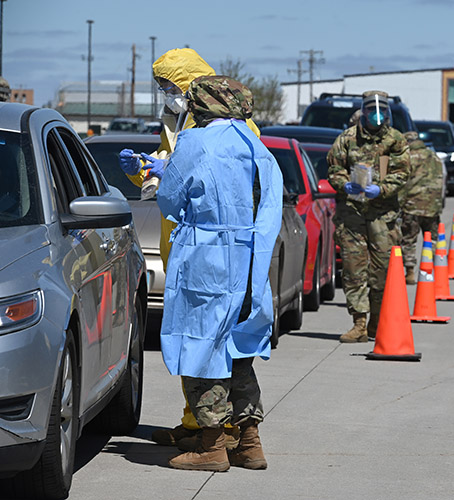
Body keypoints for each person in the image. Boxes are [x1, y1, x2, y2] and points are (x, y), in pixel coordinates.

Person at [117, 48, 261, 449]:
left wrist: (171, 172)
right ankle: (211, 427)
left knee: (203, 341)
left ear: (191, 83)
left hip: (206, 248)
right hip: (203, 244)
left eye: (171, 86)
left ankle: (216, 436)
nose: (168, 94)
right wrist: (144, 174)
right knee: (217, 342)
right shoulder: (182, 122)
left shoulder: (224, 131)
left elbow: (187, 189)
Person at [156, 75, 283, 471]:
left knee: (203, 349)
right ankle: (249, 443)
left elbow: (170, 202)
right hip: (251, 265)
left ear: (200, 106)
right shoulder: (258, 148)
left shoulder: (194, 143)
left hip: (207, 263)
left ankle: (211, 447)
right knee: (239, 350)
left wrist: (157, 172)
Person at [327, 90, 410, 342]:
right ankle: (359, 323)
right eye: (372, 110)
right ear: (362, 111)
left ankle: (376, 321)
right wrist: (344, 185)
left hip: (382, 217)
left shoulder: (395, 140)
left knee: (382, 271)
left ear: (387, 113)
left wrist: (381, 189)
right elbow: (334, 169)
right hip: (352, 215)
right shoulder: (347, 139)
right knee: (353, 271)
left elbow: (402, 172)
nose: (376, 115)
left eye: (382, 111)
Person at [400, 130, 444, 284]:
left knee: (408, 239)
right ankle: (430, 269)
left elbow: (402, 182)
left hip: (412, 205)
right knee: (431, 239)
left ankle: (410, 271)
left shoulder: (408, 158)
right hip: (433, 205)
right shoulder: (435, 157)